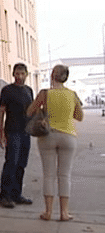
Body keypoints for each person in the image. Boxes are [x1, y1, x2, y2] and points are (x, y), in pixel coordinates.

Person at [26, 65, 83, 222]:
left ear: (52, 75)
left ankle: (48, 212)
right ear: (65, 77)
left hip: (48, 136)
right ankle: (64, 213)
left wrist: (42, 111)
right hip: (68, 137)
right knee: (64, 175)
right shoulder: (72, 95)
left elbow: (29, 111)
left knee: (48, 175)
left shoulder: (45, 93)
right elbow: (79, 117)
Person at [0, 63, 34, 208]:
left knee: (21, 164)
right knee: (11, 163)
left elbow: (32, 110)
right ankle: (4, 195)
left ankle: (16, 194)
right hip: (12, 132)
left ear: (26, 74)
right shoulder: (7, 90)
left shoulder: (28, 91)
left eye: (22, 74)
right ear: (13, 75)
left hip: (26, 132)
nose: (19, 76)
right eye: (16, 74)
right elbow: (1, 113)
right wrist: (1, 134)